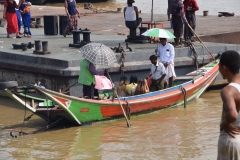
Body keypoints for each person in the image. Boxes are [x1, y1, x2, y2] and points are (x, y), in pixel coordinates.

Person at [217, 50, 240, 159]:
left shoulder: (228, 91)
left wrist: (225, 124)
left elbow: (232, 115)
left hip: (230, 140)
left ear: (224, 67)